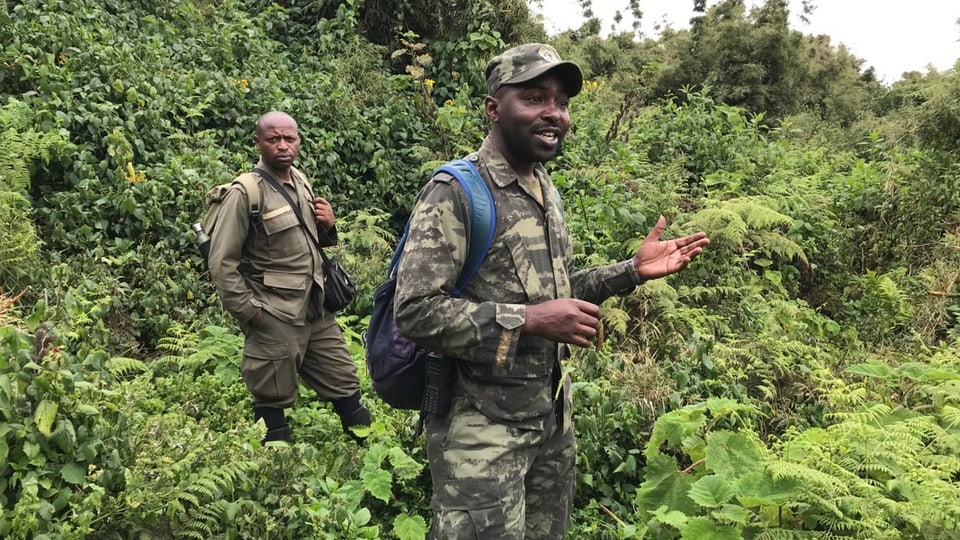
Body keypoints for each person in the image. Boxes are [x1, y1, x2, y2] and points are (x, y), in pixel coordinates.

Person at [394, 43, 710, 538]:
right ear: (494, 108)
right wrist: (531, 321)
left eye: (561, 102)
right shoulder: (455, 191)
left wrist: (630, 270)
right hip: (482, 434)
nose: (554, 113)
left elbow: (556, 293)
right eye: (535, 97)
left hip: (551, 423)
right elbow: (415, 312)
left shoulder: (544, 188)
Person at [207, 110, 370, 443]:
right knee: (271, 397)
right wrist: (252, 312)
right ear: (258, 143)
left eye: (289, 138)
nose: (283, 146)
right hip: (274, 311)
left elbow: (306, 241)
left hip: (315, 306)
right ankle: (275, 472)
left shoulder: (299, 180)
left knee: (345, 383)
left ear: (298, 141)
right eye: (273, 139)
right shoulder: (245, 193)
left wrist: (328, 225)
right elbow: (221, 263)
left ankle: (371, 459)